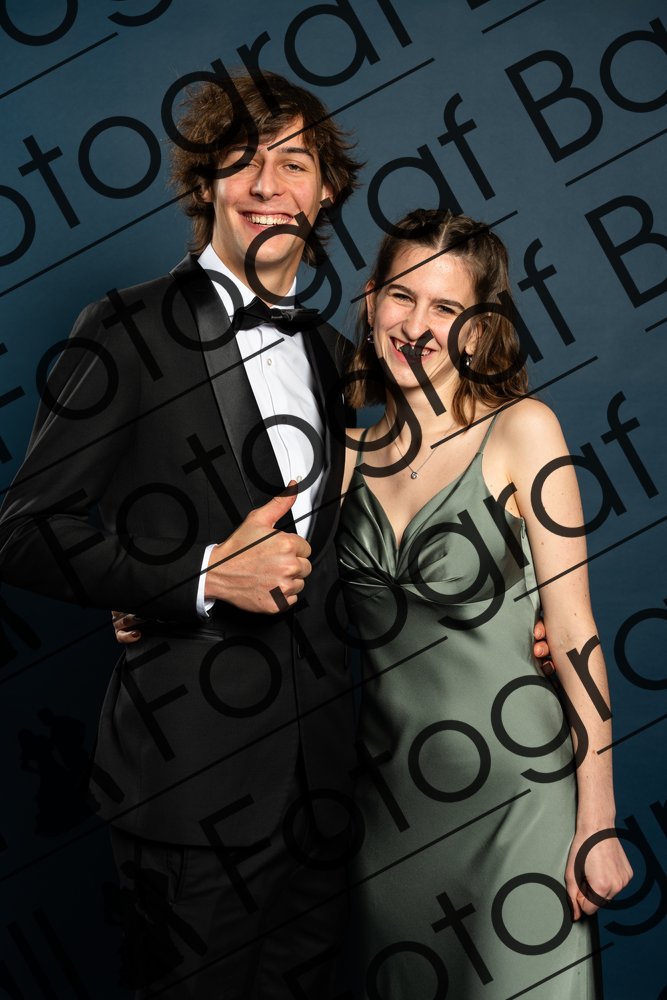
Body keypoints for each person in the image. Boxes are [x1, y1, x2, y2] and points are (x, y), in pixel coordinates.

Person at [0, 72, 365, 999]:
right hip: (188, 783)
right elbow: (25, 531)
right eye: (240, 161)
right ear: (205, 183)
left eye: (293, 162)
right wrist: (199, 576)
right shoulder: (122, 327)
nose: (266, 183)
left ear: (326, 191)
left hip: (325, 782)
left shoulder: (333, 356)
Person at [333, 208, 633, 998]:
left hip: (519, 809)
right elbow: (262, 583)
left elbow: (574, 634)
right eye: (402, 297)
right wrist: (154, 601)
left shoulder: (523, 431)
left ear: (478, 329)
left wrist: (597, 821)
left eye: (446, 307)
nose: (417, 327)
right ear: (369, 301)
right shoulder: (338, 459)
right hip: (388, 824)